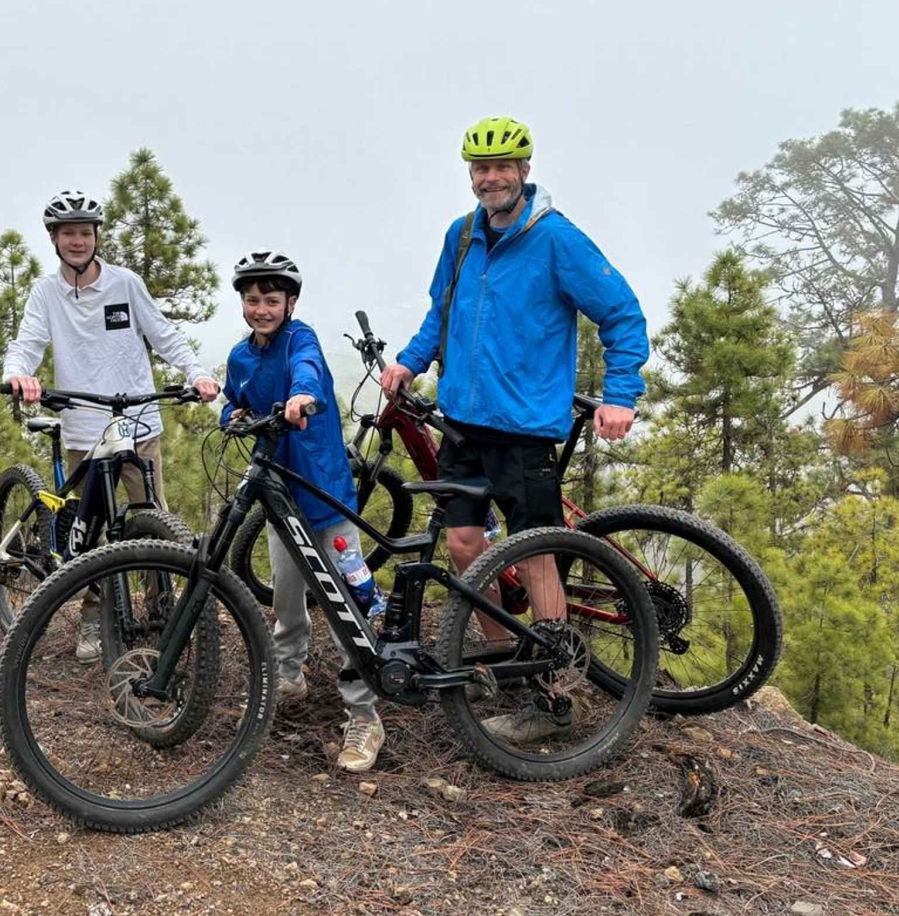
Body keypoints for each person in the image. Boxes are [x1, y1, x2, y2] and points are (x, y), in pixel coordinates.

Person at [380, 116, 648, 742]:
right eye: (481, 168)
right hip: (464, 425)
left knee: (534, 558)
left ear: (525, 171)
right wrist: (410, 362)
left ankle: (555, 697)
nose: (491, 177)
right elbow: (440, 313)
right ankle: (509, 667)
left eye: (503, 166)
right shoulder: (462, 235)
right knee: (466, 549)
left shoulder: (557, 239)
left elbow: (623, 315)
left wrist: (621, 397)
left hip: (526, 428)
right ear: (470, 174)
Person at [2, 190, 220, 663]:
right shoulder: (46, 292)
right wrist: (17, 373)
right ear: (54, 239)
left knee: (153, 521)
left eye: (85, 232)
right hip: (83, 427)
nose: (78, 241)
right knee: (91, 533)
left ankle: (162, 611)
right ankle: (93, 616)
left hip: (138, 424)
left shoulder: (125, 284)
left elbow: (164, 334)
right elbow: (27, 343)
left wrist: (196, 373)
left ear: (96, 236)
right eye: (68, 234)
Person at [220, 251, 386, 772]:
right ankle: (287, 675)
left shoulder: (301, 340)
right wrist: (232, 414)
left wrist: (301, 397)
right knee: (286, 598)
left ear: (290, 302)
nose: (262, 308)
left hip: (321, 491)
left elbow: (309, 373)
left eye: (272, 300)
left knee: (345, 603)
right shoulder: (241, 355)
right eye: (253, 300)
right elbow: (231, 399)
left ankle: (364, 714)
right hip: (277, 494)